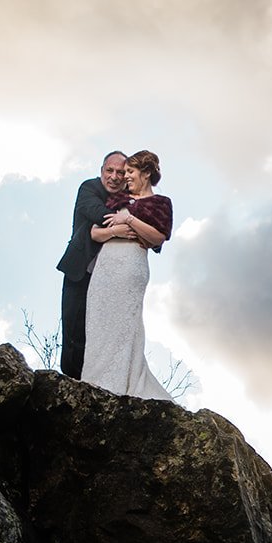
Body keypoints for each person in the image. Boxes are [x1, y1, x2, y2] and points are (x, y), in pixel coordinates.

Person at [80, 150, 175, 399]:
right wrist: (117, 231)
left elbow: (157, 238)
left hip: (130, 267)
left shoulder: (161, 204)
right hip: (105, 266)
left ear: (146, 174)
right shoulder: (118, 199)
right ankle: (92, 380)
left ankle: (121, 383)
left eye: (131, 172)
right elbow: (94, 233)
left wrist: (130, 219)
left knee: (124, 324)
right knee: (98, 321)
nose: (126, 177)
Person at [55, 151, 127, 379]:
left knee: (102, 334)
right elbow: (98, 214)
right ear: (102, 170)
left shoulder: (129, 201)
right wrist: (125, 223)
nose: (114, 177)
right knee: (74, 329)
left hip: (110, 279)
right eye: (110, 170)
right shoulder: (89, 188)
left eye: (120, 172)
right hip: (81, 271)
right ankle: (70, 383)